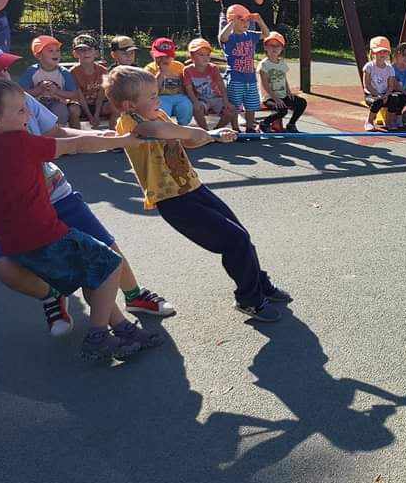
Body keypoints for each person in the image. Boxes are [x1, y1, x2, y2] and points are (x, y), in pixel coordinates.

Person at [0, 36, 176, 331]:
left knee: (105, 246)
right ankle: (52, 295)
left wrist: (101, 136)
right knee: (6, 266)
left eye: (4, 67)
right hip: (13, 211)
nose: (5, 75)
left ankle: (134, 296)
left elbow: (57, 133)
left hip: (55, 193)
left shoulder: (16, 97)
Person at [105, 65, 291, 323]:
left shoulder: (158, 114)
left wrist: (213, 136)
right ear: (129, 105)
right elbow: (157, 132)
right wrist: (202, 132)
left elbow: (186, 141)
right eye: (152, 95)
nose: (158, 98)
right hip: (172, 200)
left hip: (193, 187)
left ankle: (259, 284)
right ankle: (249, 300)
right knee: (234, 240)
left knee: (241, 236)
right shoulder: (130, 123)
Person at [218, 3, 269, 133]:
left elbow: (266, 34)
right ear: (232, 21)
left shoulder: (250, 35)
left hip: (250, 78)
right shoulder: (230, 37)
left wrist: (259, 21)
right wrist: (231, 23)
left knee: (251, 105)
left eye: (247, 20)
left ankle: (250, 128)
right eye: (241, 20)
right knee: (235, 105)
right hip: (235, 78)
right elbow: (222, 37)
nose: (246, 23)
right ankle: (235, 128)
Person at [18, 34, 83, 127]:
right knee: (31, 112)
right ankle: (36, 132)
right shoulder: (31, 71)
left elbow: (73, 94)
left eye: (57, 50)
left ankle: (60, 131)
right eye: (50, 51)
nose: (55, 53)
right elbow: (21, 93)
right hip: (37, 103)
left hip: (58, 103)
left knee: (60, 110)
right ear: (39, 55)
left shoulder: (64, 73)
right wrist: (38, 89)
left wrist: (56, 91)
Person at [257, 30, 307, 132]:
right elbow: (265, 85)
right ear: (265, 47)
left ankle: (291, 124)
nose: (274, 48)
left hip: (282, 95)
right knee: (282, 110)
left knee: (301, 102)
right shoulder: (264, 64)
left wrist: (289, 92)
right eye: (271, 45)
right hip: (269, 98)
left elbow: (284, 79)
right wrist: (275, 99)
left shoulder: (282, 63)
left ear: (281, 48)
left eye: (277, 46)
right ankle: (264, 123)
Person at [184, 37, 234, 130]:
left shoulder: (213, 68)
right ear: (192, 56)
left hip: (216, 98)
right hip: (202, 99)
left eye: (207, 55)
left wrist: (226, 101)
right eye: (201, 55)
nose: (205, 57)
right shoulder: (187, 70)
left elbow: (221, 85)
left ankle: (217, 129)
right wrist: (195, 102)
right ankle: (205, 131)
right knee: (196, 108)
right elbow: (189, 89)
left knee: (231, 110)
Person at [145, 37, 193, 126]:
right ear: (152, 54)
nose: (164, 59)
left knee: (186, 105)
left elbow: (185, 84)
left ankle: (183, 126)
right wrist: (161, 73)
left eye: (167, 56)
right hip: (161, 96)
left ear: (173, 56)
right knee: (162, 108)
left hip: (178, 95)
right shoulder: (150, 69)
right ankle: (165, 128)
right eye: (159, 57)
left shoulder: (179, 66)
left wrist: (186, 94)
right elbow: (151, 90)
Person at [362, 36, 404, 132]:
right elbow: (367, 85)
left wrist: (387, 94)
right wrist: (377, 94)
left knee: (395, 98)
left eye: (385, 51)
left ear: (388, 53)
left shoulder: (390, 68)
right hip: (371, 95)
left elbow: (391, 86)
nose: (382, 54)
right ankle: (369, 121)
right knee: (377, 101)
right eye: (379, 51)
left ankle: (389, 121)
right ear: (373, 53)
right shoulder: (369, 67)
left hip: (385, 94)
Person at [70, 33, 110, 127]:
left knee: (115, 106)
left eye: (89, 49)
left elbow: (101, 94)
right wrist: (90, 116)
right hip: (81, 105)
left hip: (99, 105)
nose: (86, 53)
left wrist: (96, 114)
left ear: (96, 53)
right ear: (75, 54)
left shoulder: (103, 71)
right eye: (81, 50)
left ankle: (114, 132)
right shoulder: (72, 72)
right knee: (73, 109)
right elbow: (79, 96)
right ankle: (76, 134)